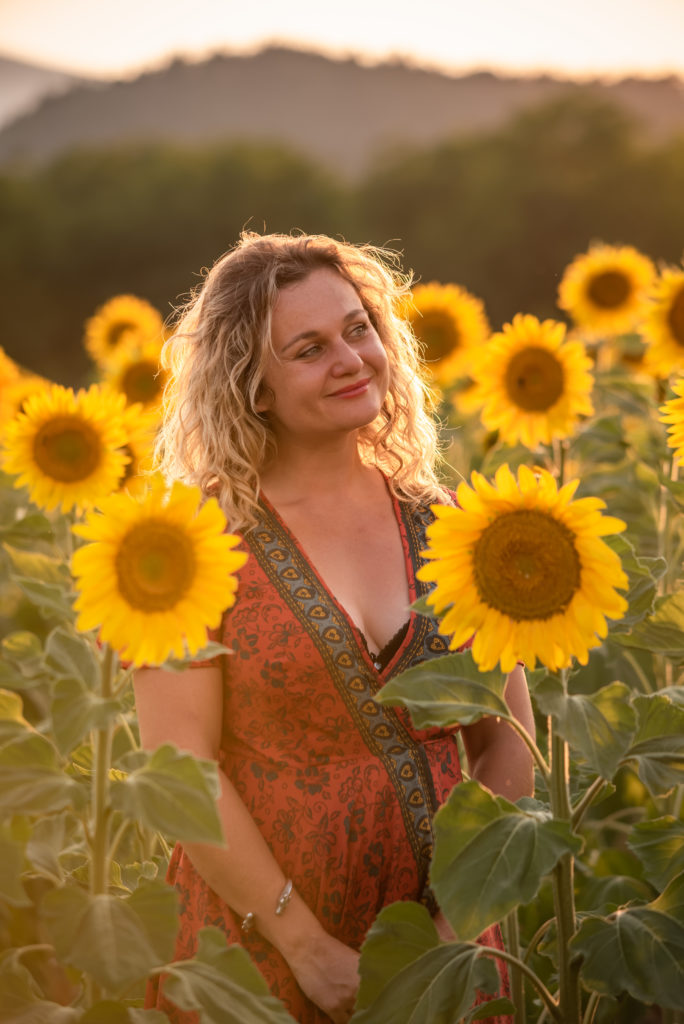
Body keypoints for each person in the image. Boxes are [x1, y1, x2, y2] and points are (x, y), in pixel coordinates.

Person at [134, 232, 535, 1024]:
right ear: (252, 386)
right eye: (309, 348)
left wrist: (458, 923)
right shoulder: (191, 544)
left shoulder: (443, 523)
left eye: (359, 328)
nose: (352, 359)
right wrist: (307, 948)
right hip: (261, 951)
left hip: (444, 944)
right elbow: (180, 771)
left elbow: (508, 738)